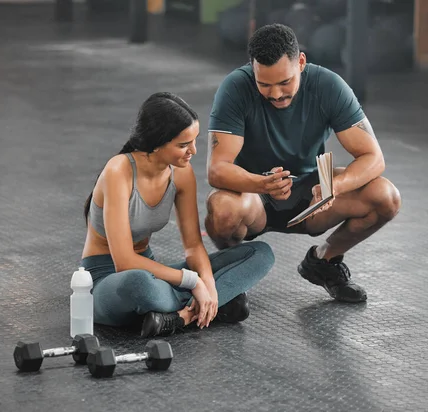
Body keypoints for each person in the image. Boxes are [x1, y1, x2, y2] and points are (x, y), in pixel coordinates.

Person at [205, 24, 401, 303]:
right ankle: (232, 278)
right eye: (265, 84)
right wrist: (262, 183)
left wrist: (335, 184)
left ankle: (324, 262)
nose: (275, 94)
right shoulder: (235, 88)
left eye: (285, 82)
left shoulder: (328, 86)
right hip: (254, 193)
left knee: (386, 197)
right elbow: (217, 169)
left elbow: (373, 158)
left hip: (311, 194)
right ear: (253, 68)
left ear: (301, 62)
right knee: (222, 210)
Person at [80, 92, 275, 338]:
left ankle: (180, 317)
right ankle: (211, 308)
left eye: (194, 141)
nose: (193, 150)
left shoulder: (181, 173)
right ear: (156, 143)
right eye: (183, 145)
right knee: (140, 286)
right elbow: (125, 262)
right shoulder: (118, 171)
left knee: (260, 253)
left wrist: (210, 287)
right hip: (107, 280)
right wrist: (194, 283)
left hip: (154, 272)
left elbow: (193, 246)